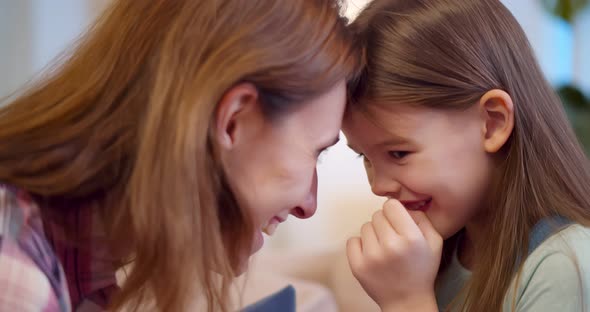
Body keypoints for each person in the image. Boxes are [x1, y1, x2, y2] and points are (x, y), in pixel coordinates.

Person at [0, 0, 361, 311]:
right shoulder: (15, 272)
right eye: (316, 151)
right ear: (235, 121)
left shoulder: (81, 273)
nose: (308, 204)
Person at [343, 0, 590, 311]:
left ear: (492, 123)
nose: (378, 186)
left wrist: (406, 301)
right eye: (364, 157)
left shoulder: (567, 266)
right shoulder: (439, 252)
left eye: (398, 153)